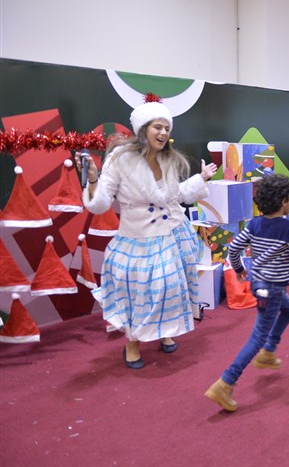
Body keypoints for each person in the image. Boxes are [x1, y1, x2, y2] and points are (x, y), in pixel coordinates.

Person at [79, 96, 217, 369]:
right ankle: (133, 342)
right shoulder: (120, 159)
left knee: (170, 289)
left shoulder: (168, 160)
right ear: (143, 129)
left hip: (172, 233)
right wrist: (93, 179)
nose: (163, 133)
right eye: (157, 127)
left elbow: (174, 196)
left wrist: (201, 179)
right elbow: (100, 203)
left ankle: (165, 331)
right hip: (138, 239)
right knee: (140, 295)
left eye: (167, 128)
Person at [204, 174, 289, 412]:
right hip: (273, 288)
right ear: (283, 202)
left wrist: (239, 269)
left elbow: (234, 248)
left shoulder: (255, 224)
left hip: (260, 284)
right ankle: (226, 382)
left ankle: (269, 351)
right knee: (257, 336)